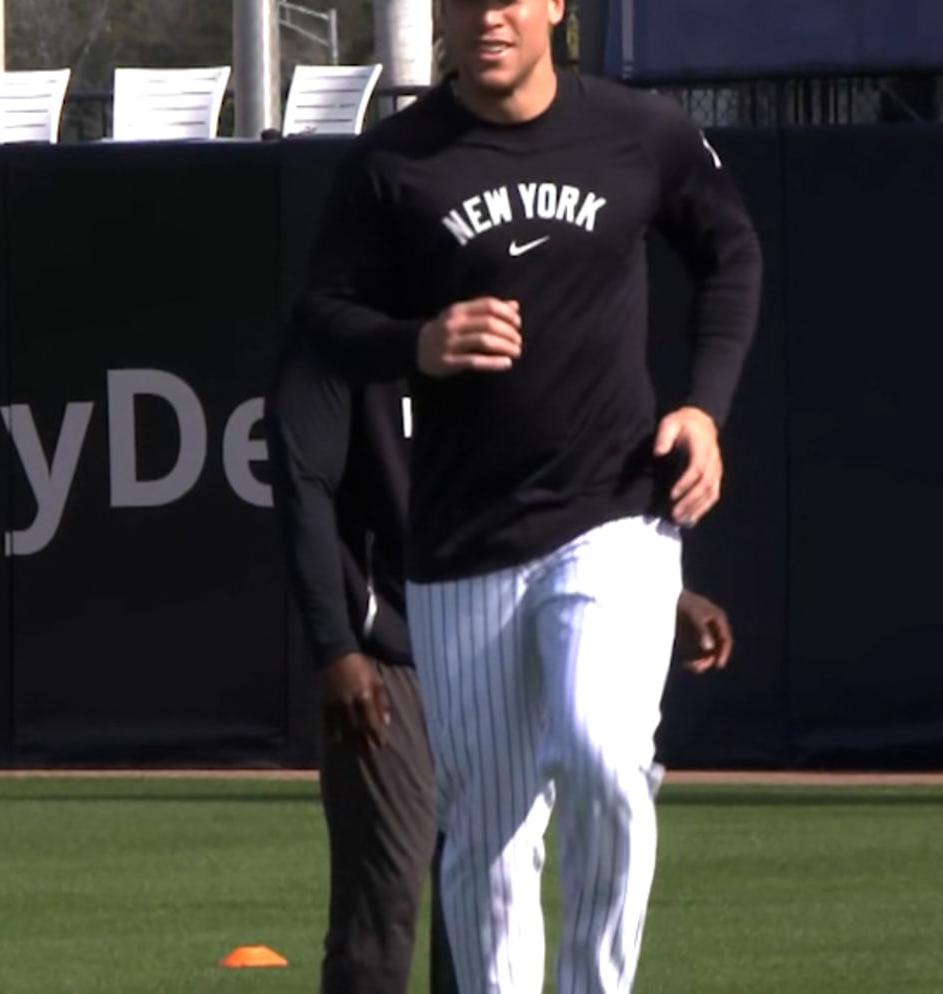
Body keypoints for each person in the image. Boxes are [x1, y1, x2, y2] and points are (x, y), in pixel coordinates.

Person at [292, 0, 763, 993]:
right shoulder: (393, 163)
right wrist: (420, 339)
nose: (490, 16)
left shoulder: (636, 130)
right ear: (443, 15)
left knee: (604, 757)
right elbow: (322, 317)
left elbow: (731, 252)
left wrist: (706, 406)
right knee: (492, 838)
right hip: (460, 544)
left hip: (616, 515)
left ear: (556, 2)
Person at [265, 315, 739, 994]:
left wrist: (663, 592)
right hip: (390, 650)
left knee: (486, 882)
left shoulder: (520, 312)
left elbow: (569, 486)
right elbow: (302, 483)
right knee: (385, 894)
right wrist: (337, 648)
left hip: (492, 633)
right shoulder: (351, 327)